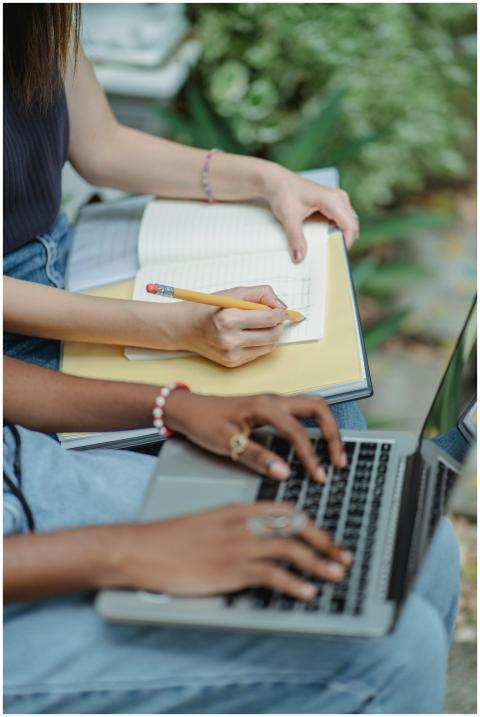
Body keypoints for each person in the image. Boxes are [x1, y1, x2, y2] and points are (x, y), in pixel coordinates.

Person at [3, 390, 462, 714]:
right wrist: (125, 550)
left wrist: (173, 406)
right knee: (394, 653)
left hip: (21, 468)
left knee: (421, 543)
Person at [4, 3, 359, 373]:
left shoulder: (35, 12)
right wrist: (174, 328)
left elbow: (102, 146)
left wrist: (268, 180)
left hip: (63, 252)